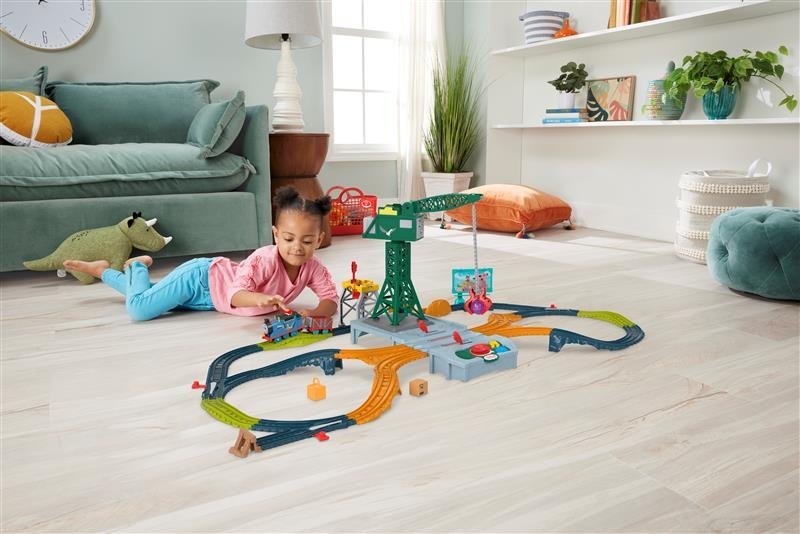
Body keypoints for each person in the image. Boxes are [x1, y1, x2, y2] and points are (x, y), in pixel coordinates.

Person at [63, 187, 339, 321]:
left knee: (148, 295)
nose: (297, 247)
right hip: (201, 279)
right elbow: (236, 294)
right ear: (276, 235)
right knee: (139, 309)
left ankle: (102, 270)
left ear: (319, 240)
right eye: (289, 239)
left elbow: (330, 298)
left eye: (307, 241)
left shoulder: (313, 267)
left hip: (211, 301)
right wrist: (261, 299)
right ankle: (138, 266)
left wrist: (314, 313)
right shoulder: (264, 259)